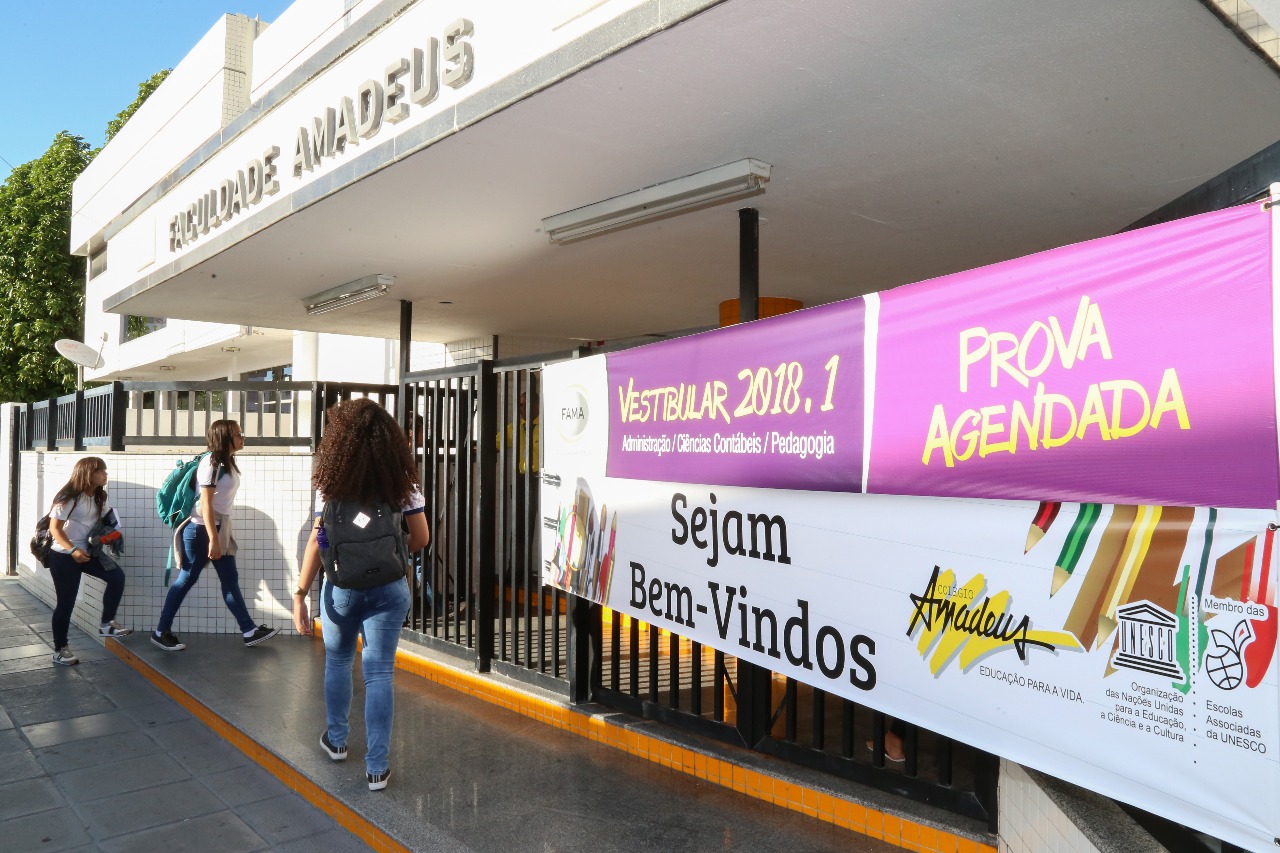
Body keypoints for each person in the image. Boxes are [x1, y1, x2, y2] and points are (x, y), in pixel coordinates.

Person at [293, 399, 429, 791]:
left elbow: (318, 542)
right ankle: (377, 768)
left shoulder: (330, 484)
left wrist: (300, 594)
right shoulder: (402, 482)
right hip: (389, 589)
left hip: (342, 589)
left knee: (338, 662)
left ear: (340, 440)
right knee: (380, 672)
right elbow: (420, 538)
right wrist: (390, 555)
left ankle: (337, 741)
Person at [151, 420, 279, 651]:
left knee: (230, 579)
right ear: (224, 437)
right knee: (187, 579)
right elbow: (205, 505)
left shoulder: (227, 462)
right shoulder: (211, 462)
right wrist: (213, 539)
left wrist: (219, 535)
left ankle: (249, 631)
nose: (243, 437)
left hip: (219, 528)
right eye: (238, 434)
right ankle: (161, 631)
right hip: (201, 530)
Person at [46, 457, 132, 665]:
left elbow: (106, 521)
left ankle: (107, 623)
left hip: (88, 553)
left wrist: (111, 535)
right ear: (88, 473)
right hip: (64, 555)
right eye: (101, 471)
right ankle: (60, 649)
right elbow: (54, 529)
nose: (105, 474)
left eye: (105, 471)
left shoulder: (100, 496)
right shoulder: (68, 497)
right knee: (66, 603)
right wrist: (73, 550)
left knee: (116, 576)